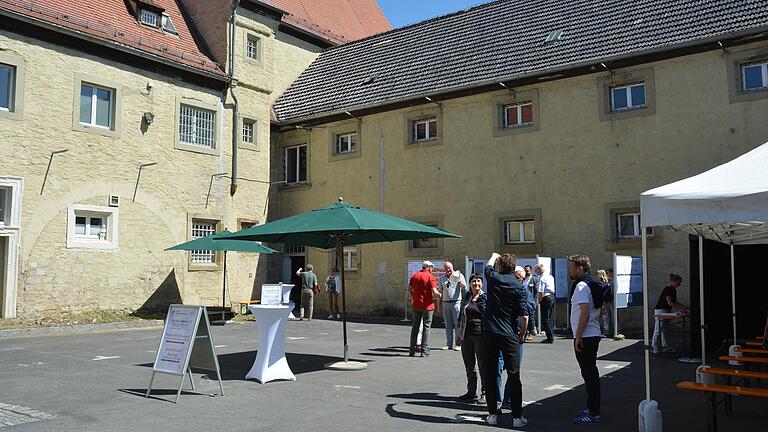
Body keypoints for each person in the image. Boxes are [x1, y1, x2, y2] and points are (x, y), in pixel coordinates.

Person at [482, 253, 529, 428]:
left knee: (491, 373)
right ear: (514, 266)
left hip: (491, 331)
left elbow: (487, 267)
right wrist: (522, 333)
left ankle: (492, 414)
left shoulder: (495, 278)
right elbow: (524, 315)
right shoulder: (519, 286)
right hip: (510, 333)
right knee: (514, 375)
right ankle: (517, 418)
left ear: (501, 266)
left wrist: (494, 255)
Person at [569, 254, 603, 425]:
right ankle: (592, 407)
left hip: (586, 336)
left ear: (580, 268)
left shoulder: (582, 286)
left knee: (589, 374)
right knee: (590, 373)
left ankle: (593, 412)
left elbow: (585, 312)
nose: (570, 270)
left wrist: (578, 337)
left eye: (572, 267)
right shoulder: (591, 283)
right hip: (591, 333)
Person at [456, 273, 487, 403]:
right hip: (466, 335)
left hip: (481, 336)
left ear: (482, 283)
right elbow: (461, 316)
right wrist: (458, 334)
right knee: (469, 365)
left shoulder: (485, 298)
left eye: (479, 281)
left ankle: (485, 393)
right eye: (474, 281)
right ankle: (471, 391)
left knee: (483, 365)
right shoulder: (467, 296)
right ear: (469, 283)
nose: (476, 284)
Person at [409, 261, 440, 357]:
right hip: (427, 306)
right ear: (429, 267)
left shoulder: (414, 276)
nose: (432, 269)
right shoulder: (430, 277)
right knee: (426, 327)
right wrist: (440, 295)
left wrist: (413, 298)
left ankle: (412, 350)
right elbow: (434, 292)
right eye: (432, 268)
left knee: (415, 327)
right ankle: (424, 350)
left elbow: (409, 289)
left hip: (416, 305)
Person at [652, 273, 688, 354]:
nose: (679, 284)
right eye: (678, 282)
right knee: (658, 329)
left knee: (665, 330)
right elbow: (670, 302)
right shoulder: (668, 289)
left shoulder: (673, 290)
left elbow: (675, 302)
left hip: (666, 310)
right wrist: (681, 308)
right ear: (673, 281)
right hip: (660, 310)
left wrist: (684, 307)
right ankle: (654, 346)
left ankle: (665, 347)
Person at [439, 261, 467, 350]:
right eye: (446, 268)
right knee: (448, 325)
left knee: (457, 324)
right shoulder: (442, 278)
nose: (448, 270)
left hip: (456, 303)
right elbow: (440, 292)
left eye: (449, 268)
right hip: (445, 303)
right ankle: (449, 344)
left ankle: (458, 344)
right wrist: (439, 305)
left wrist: (459, 281)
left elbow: (464, 286)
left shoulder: (459, 275)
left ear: (452, 267)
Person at [536, 263, 556, 343]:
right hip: (551, 297)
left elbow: (541, 291)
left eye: (536, 270)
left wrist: (540, 300)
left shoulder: (542, 278)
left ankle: (550, 337)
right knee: (549, 318)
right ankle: (551, 335)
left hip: (546, 298)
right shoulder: (550, 276)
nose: (535, 271)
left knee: (545, 319)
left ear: (539, 270)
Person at [523, 265, 538, 337]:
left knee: (531, 317)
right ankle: (525, 332)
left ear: (531, 271)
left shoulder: (534, 279)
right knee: (524, 316)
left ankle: (531, 333)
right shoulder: (523, 279)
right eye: (525, 271)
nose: (526, 272)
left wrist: (534, 301)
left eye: (527, 271)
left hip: (531, 301)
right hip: (523, 300)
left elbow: (536, 291)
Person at [596, 270, 610, 336]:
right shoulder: (606, 283)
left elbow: (602, 294)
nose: (597, 276)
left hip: (602, 303)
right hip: (604, 302)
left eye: (598, 274)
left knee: (603, 317)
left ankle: (605, 332)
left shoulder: (601, 284)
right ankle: (605, 331)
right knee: (604, 317)